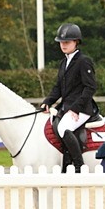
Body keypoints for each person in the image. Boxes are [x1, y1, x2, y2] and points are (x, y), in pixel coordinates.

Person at [41, 23, 98, 171]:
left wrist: (76, 109)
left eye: (67, 42)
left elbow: (90, 87)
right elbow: (58, 88)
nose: (63, 45)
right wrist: (48, 102)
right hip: (66, 107)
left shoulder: (83, 61)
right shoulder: (64, 62)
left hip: (82, 108)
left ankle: (79, 166)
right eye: (61, 42)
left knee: (63, 128)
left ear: (76, 42)